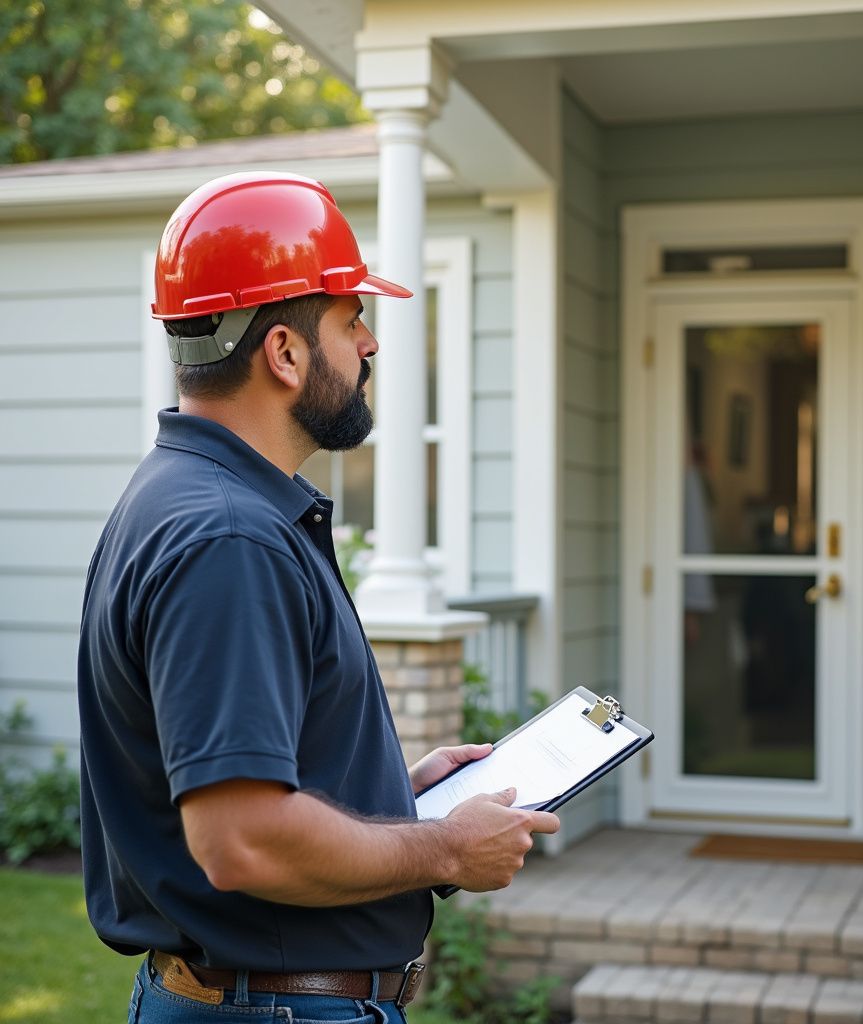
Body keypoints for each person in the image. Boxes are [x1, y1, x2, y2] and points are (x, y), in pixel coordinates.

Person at [77, 171, 559, 1024]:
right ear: (285, 354)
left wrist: (395, 798)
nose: (370, 343)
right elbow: (242, 839)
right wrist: (445, 844)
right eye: (350, 319)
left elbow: (248, 787)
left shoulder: (188, 498)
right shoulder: (228, 538)